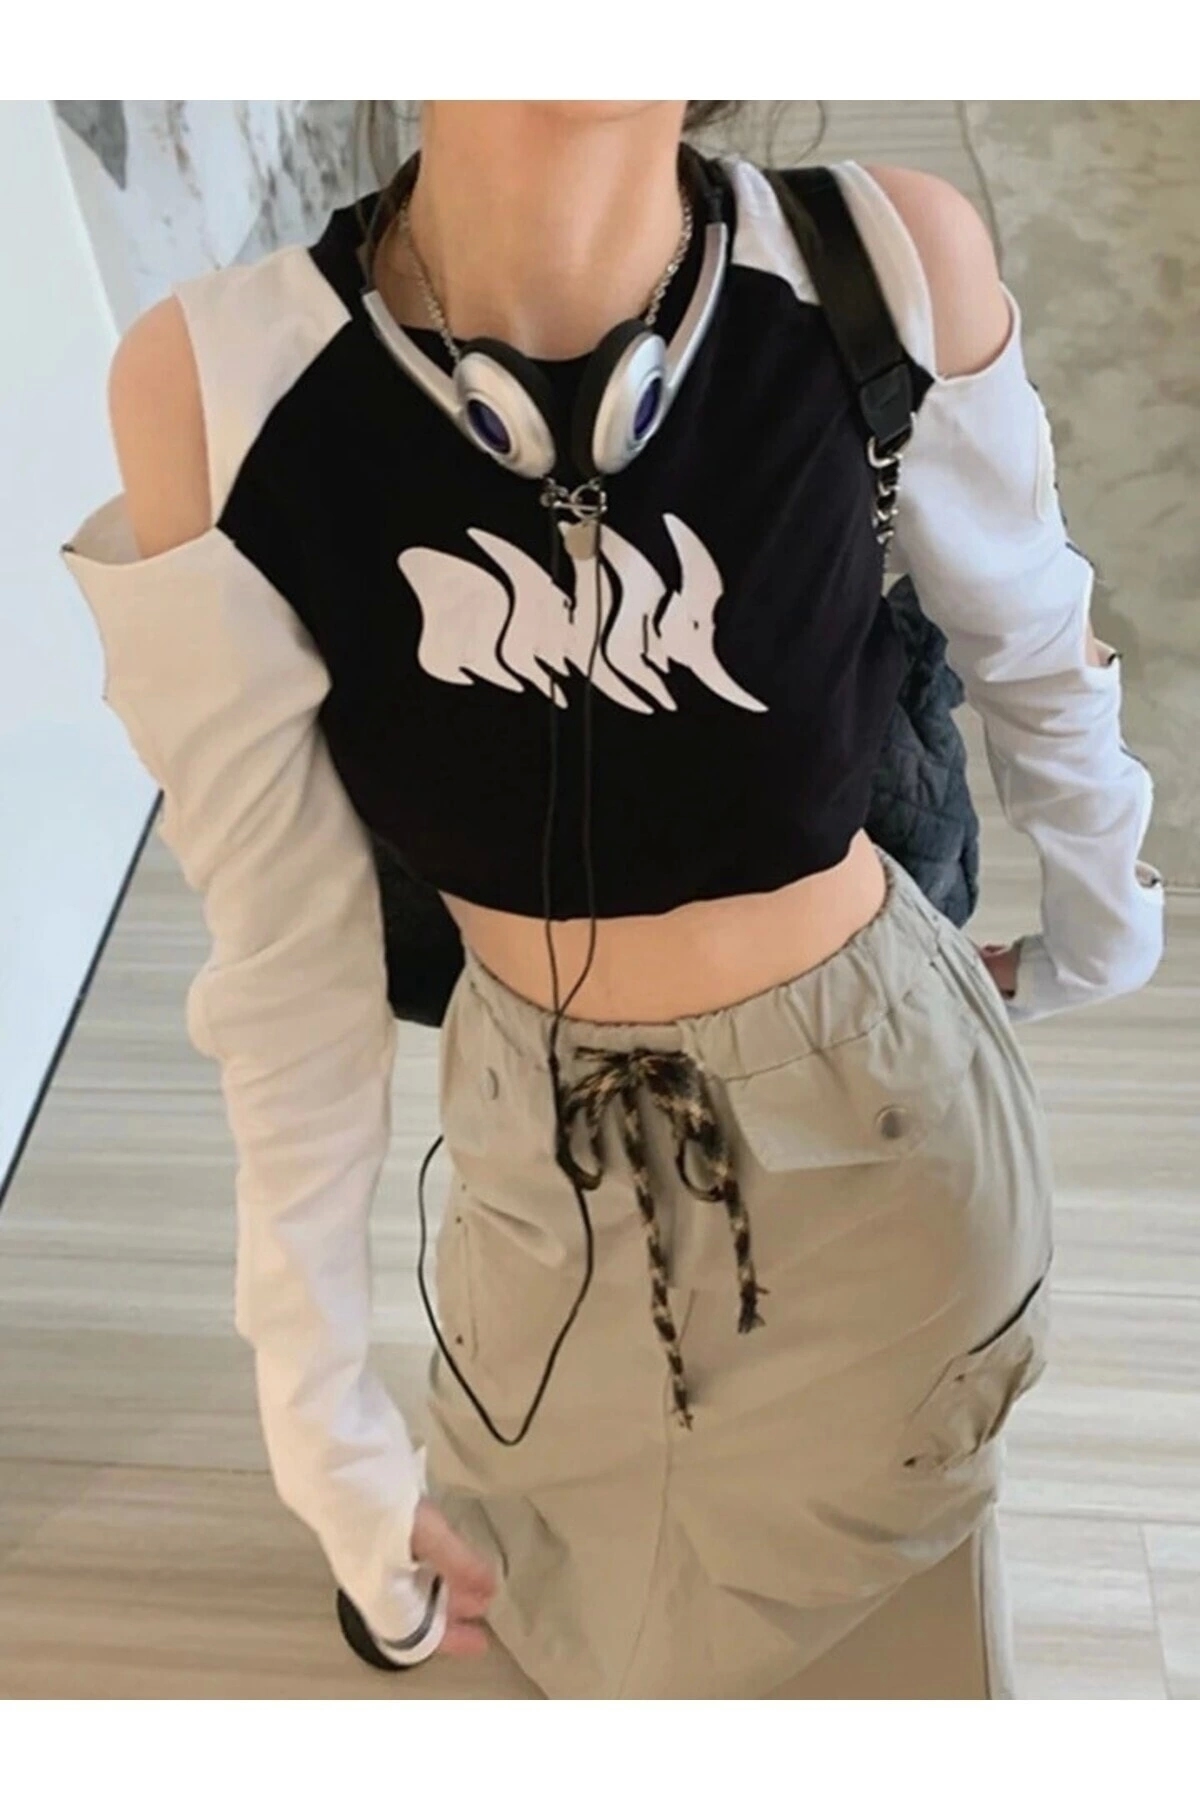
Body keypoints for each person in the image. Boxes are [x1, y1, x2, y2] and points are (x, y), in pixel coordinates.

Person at [60, 100, 1165, 1700]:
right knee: (577, 1615)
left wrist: (1101, 929)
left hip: (887, 1147)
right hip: (534, 1153)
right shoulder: (211, 387)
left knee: (874, 1663)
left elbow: (1041, 651)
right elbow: (287, 964)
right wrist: (323, 1421)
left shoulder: (882, 263)